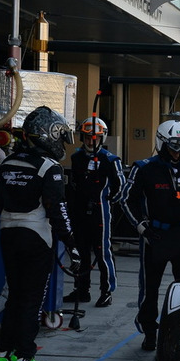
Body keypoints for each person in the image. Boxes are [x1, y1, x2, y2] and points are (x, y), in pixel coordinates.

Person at [0, 106, 81, 361]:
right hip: (35, 237)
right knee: (32, 298)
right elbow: (58, 211)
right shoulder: (49, 167)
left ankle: (4, 353)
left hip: (7, 233)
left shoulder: (6, 163)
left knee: (14, 295)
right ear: (47, 135)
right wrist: (73, 245)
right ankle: (25, 359)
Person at [121, 120, 180, 351]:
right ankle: (149, 331)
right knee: (150, 288)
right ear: (162, 143)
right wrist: (141, 227)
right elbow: (126, 199)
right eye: (174, 146)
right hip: (155, 236)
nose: (179, 152)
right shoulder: (144, 168)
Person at [63, 117, 125, 308]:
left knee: (102, 252)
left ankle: (106, 292)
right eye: (88, 138)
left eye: (95, 138)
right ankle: (82, 290)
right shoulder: (76, 157)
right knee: (81, 252)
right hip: (79, 211)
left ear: (102, 138)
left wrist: (108, 201)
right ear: (82, 137)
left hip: (101, 212)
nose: (91, 142)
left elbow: (121, 186)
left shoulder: (110, 159)